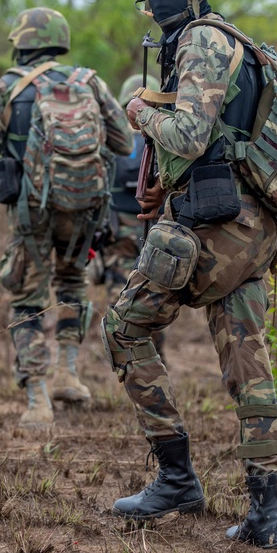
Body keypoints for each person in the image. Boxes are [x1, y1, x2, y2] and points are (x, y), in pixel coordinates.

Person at [101, 0, 277, 548]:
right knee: (248, 364)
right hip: (250, 225)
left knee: (124, 326)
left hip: (216, 232)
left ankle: (176, 477)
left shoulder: (204, 40)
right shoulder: (224, 41)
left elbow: (188, 131)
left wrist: (138, 111)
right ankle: (266, 516)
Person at [0, 7, 132, 429]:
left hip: (32, 213)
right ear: (60, 41)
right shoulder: (89, 82)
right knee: (72, 283)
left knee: (27, 298)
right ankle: (68, 374)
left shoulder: (5, 89)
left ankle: (38, 401)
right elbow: (124, 140)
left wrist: (5, 189)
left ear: (20, 42)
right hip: (82, 209)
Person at [90, 73, 166, 359]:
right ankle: (156, 354)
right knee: (155, 294)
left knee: (120, 292)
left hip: (118, 226)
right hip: (155, 225)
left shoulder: (111, 141)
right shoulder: (165, 134)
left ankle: (125, 354)